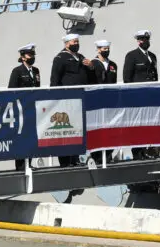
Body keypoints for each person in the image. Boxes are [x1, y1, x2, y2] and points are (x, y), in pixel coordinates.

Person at [50, 33, 94, 167]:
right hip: (66, 100)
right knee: (65, 132)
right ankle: (65, 160)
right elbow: (54, 80)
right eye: (74, 42)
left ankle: (75, 158)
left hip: (80, 100)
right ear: (67, 43)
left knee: (76, 130)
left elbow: (89, 75)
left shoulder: (80, 57)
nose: (76, 44)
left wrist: (91, 66)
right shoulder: (60, 58)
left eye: (77, 42)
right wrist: (57, 99)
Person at [122, 30, 158, 160]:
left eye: (147, 39)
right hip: (138, 96)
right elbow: (127, 78)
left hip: (150, 96)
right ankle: (137, 151)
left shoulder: (152, 56)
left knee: (149, 123)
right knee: (138, 125)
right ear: (138, 41)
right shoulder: (132, 56)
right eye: (143, 39)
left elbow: (155, 76)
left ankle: (149, 149)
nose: (145, 41)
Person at [8, 44, 39, 171]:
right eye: (29, 55)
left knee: (31, 137)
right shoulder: (17, 71)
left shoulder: (36, 71)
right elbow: (11, 90)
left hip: (32, 108)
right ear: (23, 57)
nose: (32, 57)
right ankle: (21, 165)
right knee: (21, 137)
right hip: (21, 108)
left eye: (33, 55)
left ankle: (29, 162)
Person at [90, 40, 117, 166]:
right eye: (104, 49)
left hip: (110, 102)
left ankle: (108, 154)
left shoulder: (113, 65)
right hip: (97, 102)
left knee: (110, 129)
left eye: (107, 48)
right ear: (98, 49)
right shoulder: (93, 64)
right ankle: (96, 156)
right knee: (97, 130)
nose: (106, 51)